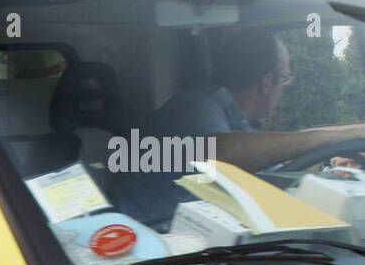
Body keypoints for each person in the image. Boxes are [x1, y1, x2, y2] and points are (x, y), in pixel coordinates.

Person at [151, 26, 365, 174]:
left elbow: (263, 159)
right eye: (285, 78)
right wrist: (328, 140)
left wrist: (344, 141)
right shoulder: (196, 107)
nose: (284, 88)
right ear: (266, 83)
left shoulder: (235, 120)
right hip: (146, 234)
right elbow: (219, 155)